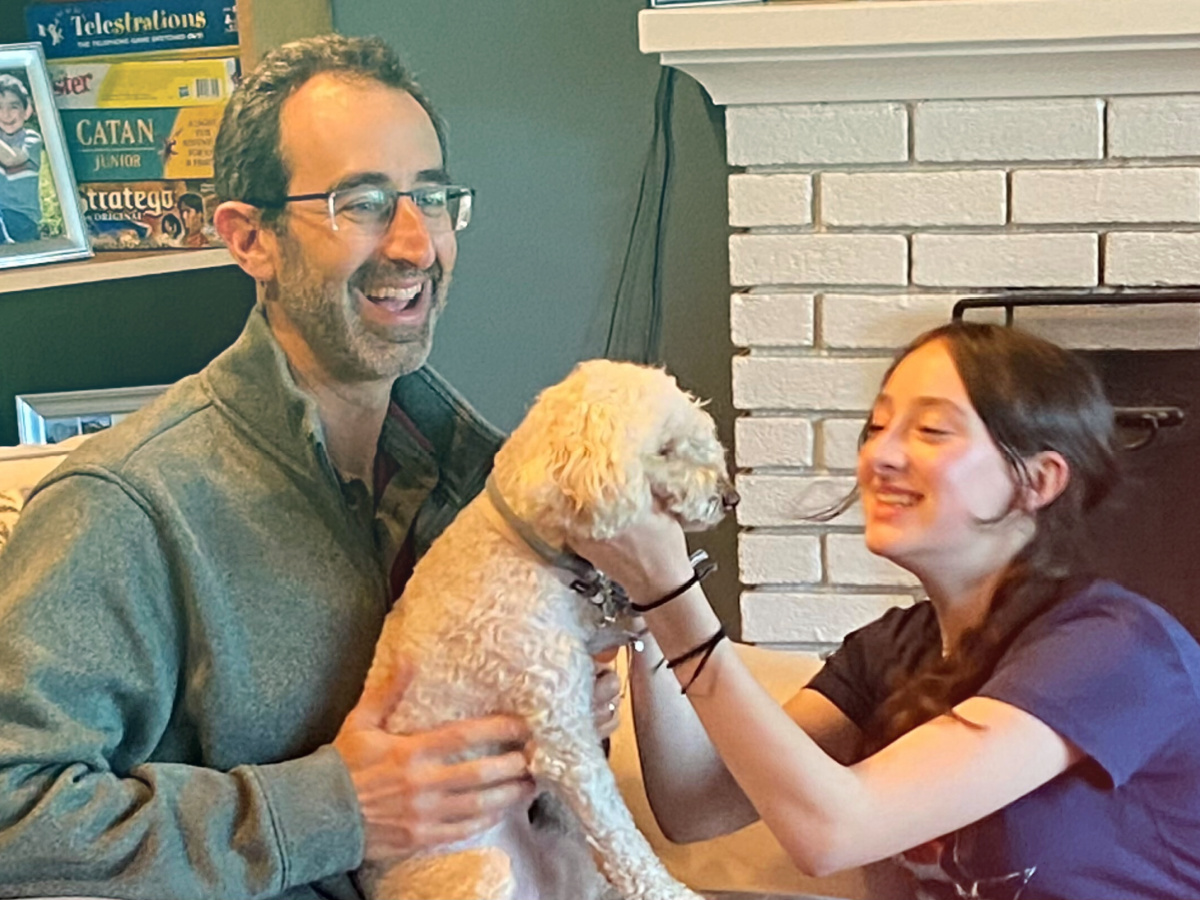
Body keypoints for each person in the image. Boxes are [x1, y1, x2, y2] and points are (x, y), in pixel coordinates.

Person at [0, 34, 620, 899]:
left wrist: (562, 728)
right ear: (249, 238)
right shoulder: (125, 507)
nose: (414, 243)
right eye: (362, 202)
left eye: (431, 197)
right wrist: (331, 809)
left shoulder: (486, 481)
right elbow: (15, 818)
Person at [575, 321, 1200, 900]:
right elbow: (698, 806)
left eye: (931, 430)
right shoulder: (890, 650)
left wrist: (672, 591)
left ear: (1037, 481)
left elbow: (833, 830)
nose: (883, 456)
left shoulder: (1119, 650)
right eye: (877, 428)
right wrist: (646, 613)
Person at [0, 72, 43, 243]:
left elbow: (11, 159)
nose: (6, 114)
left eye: (14, 107)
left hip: (22, 217)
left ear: (27, 111)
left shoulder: (31, 139)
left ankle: (9, 246)